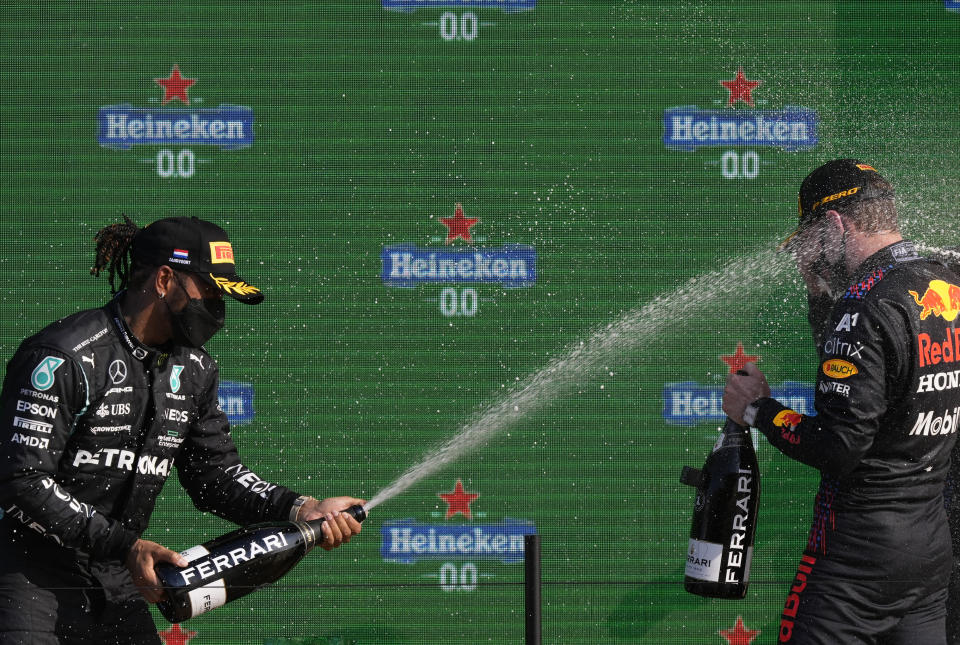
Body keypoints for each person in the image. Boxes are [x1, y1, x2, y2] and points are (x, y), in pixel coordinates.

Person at [0, 216, 364, 644]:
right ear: (165, 279)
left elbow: (215, 476)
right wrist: (126, 546)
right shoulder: (64, 356)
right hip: (28, 576)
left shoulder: (194, 369)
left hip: (119, 579)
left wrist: (300, 509)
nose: (217, 309)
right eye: (208, 292)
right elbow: (21, 479)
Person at [723, 160, 960, 644]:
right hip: (930, 548)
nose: (805, 254)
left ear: (834, 225)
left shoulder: (865, 303)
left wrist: (758, 409)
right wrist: (819, 293)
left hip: (857, 555)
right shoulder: (943, 281)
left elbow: (839, 444)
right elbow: (862, 381)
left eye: (809, 238)